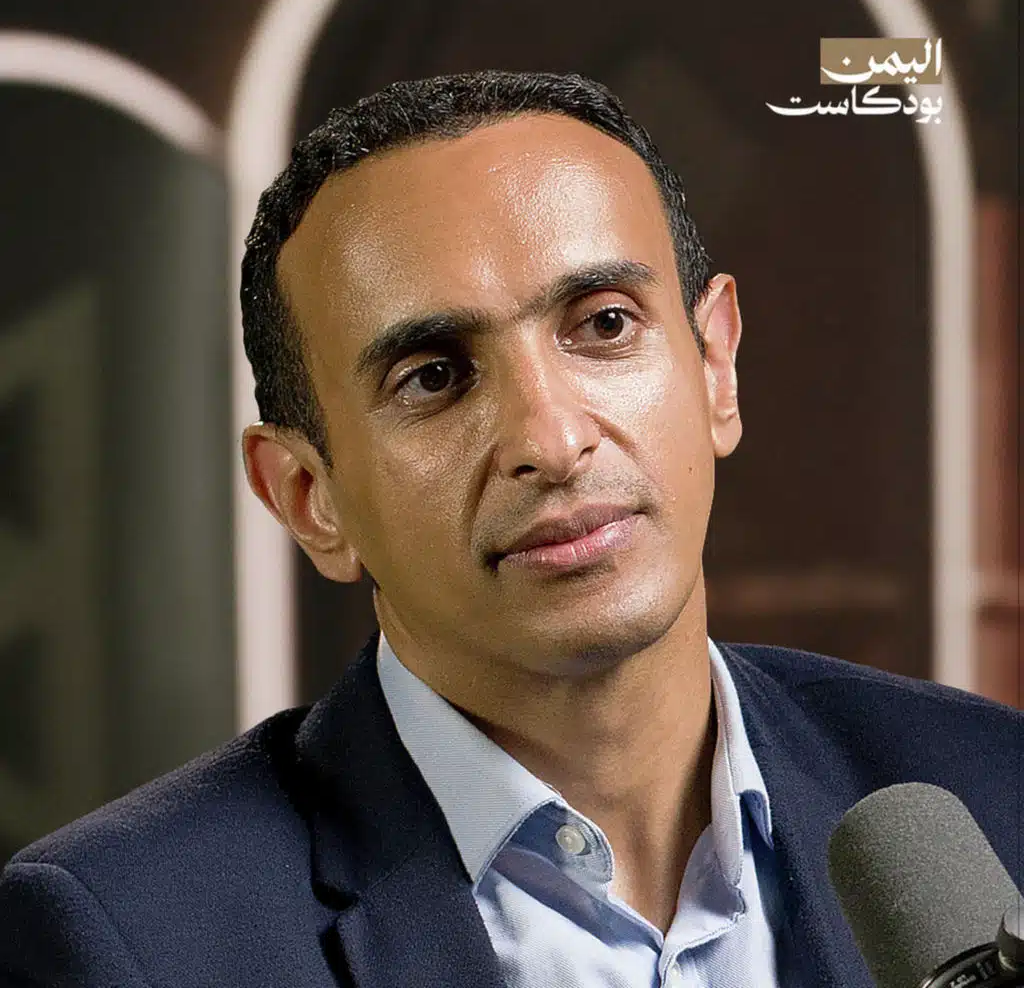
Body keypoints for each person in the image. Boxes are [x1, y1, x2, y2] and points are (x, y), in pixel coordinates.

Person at [0, 70, 1018, 988]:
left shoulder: (998, 789)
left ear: (716, 367)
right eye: (433, 377)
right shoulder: (125, 941)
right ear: (309, 497)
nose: (552, 440)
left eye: (605, 324)